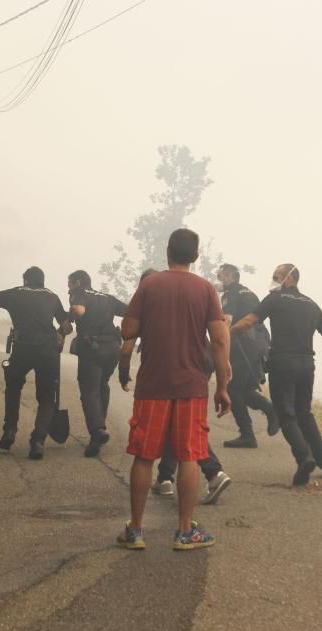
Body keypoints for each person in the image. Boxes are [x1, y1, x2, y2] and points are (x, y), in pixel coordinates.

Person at [116, 229, 231, 551]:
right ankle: (184, 532)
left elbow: (128, 329)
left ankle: (135, 531)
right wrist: (222, 385)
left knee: (143, 456)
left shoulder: (149, 285)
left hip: (152, 384)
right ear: (195, 256)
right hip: (191, 386)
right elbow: (220, 339)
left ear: (167, 251)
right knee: (189, 456)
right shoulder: (206, 289)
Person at [233, 264, 322, 486]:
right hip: (306, 365)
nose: (273, 281)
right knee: (304, 413)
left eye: (277, 277)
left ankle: (304, 458)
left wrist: (224, 334)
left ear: (290, 278)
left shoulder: (273, 299)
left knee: (286, 414)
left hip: (282, 363)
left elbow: (248, 322)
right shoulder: (312, 305)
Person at [122, 269, 233, 506]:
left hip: (171, 375)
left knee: (173, 443)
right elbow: (221, 334)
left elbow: (127, 335)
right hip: (199, 366)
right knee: (179, 427)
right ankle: (166, 481)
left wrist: (124, 373)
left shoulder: (151, 294)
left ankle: (212, 473)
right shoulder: (198, 291)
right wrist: (224, 369)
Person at [0, 266, 72, 460]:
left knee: (13, 388)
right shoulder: (52, 297)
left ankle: (10, 431)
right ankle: (38, 441)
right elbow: (66, 326)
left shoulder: (16, 293)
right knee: (47, 397)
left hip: (22, 348)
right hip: (48, 352)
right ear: (42, 281)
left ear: (25, 281)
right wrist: (61, 333)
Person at [216, 263, 278, 448]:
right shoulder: (247, 292)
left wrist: (221, 350)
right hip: (260, 343)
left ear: (229, 276)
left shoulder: (231, 293)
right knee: (245, 390)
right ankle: (270, 410)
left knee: (233, 389)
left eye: (221, 275)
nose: (219, 278)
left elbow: (226, 323)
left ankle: (248, 435)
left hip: (244, 344)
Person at [68, 270, 127, 458]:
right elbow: (130, 311)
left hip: (92, 349)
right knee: (102, 385)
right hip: (113, 348)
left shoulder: (80, 294)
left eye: (69, 283)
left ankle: (98, 430)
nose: (67, 288)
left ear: (77, 282)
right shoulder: (106, 297)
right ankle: (99, 428)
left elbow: (79, 311)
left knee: (89, 390)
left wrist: (69, 317)